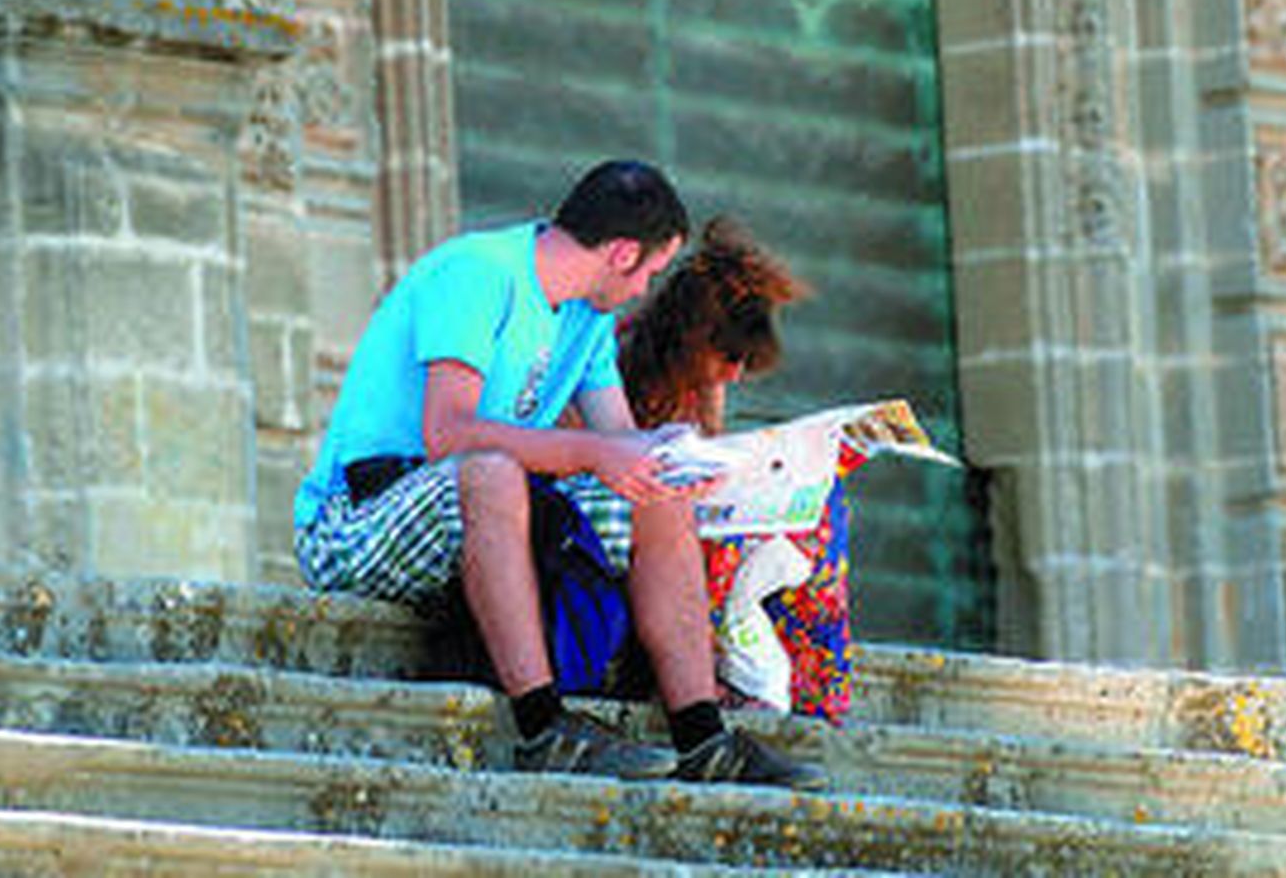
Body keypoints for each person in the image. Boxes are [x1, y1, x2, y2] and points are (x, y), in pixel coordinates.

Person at [293, 161, 824, 790]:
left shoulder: (587, 319)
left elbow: (621, 443)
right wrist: (595, 453)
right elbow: (449, 435)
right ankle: (543, 725)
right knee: (489, 471)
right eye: (651, 273)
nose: (644, 291)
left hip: (488, 505)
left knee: (658, 493)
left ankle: (702, 736)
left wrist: (681, 459)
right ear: (624, 253)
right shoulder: (478, 273)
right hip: (357, 519)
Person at [612, 217, 861, 723]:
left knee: (822, 507)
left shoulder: (706, 382)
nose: (733, 373)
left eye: (744, 362)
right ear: (693, 335)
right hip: (638, 517)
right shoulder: (616, 359)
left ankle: (815, 688)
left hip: (695, 506)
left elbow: (711, 450)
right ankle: (718, 675)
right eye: (727, 357)